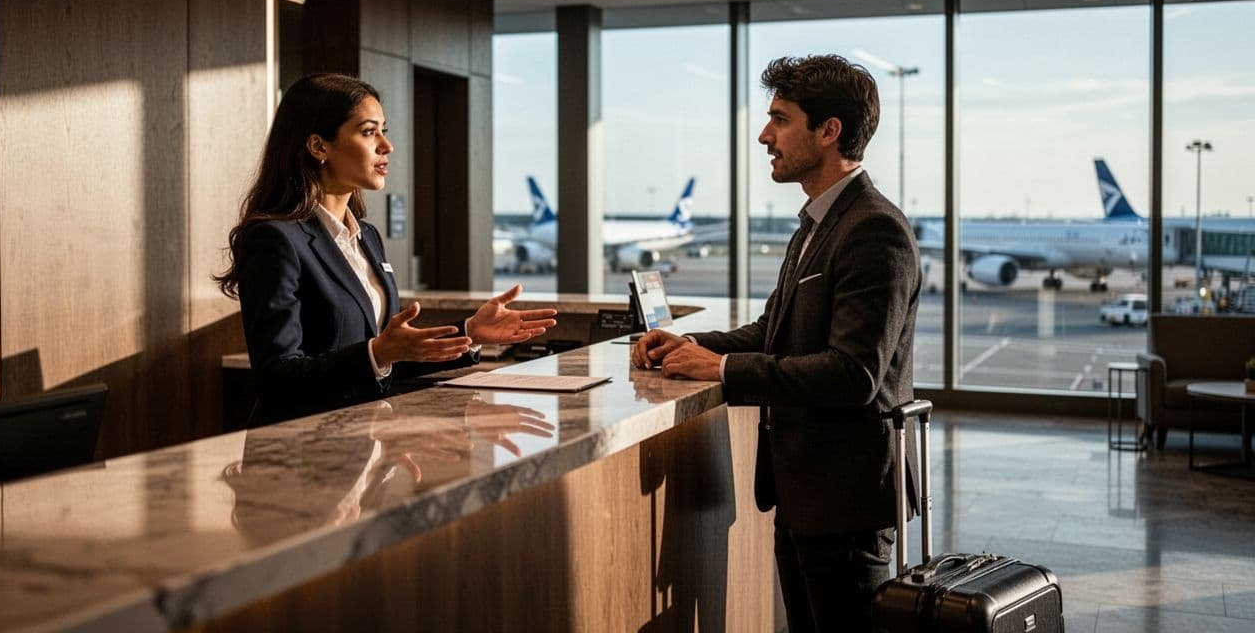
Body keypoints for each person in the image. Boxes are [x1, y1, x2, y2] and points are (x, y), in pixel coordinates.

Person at [632, 54, 921, 631]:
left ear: (828, 131)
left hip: (846, 499)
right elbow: (774, 332)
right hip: (804, 492)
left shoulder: (874, 229)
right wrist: (683, 343)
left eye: (780, 119)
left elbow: (853, 375)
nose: (764, 136)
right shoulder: (816, 225)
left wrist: (723, 370)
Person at [216, 73, 557, 426]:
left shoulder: (367, 236)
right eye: (368, 132)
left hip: (368, 445)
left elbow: (386, 357)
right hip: (301, 454)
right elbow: (277, 380)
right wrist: (378, 352)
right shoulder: (274, 239)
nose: (386, 146)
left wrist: (470, 331)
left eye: (384, 130)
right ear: (319, 146)